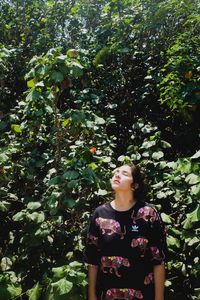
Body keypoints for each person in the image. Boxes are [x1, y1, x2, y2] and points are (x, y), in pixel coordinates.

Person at [85, 164, 167, 300]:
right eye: (116, 172)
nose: (117, 175)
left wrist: (159, 298)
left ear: (134, 185)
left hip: (143, 294)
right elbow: (92, 259)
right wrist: (91, 295)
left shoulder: (148, 214)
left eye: (124, 173)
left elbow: (159, 261)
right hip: (106, 294)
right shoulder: (99, 214)